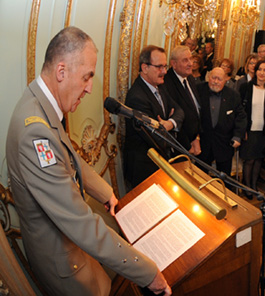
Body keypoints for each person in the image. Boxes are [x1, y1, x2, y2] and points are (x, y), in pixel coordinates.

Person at [6, 26, 170, 296]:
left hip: (69, 247)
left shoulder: (39, 104)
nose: (90, 88)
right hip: (64, 263)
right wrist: (148, 273)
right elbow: (80, 223)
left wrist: (104, 191)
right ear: (61, 72)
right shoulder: (35, 132)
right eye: (86, 77)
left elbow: (66, 154)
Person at [124, 45, 184, 188]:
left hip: (159, 163)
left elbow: (180, 111)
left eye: (165, 66)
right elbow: (158, 138)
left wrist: (169, 123)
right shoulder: (137, 97)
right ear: (145, 68)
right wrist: (167, 127)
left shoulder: (160, 86)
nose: (164, 71)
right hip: (144, 169)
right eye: (159, 67)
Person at [197, 68, 247, 175]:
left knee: (224, 181)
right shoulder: (198, 90)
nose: (215, 81)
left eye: (219, 79)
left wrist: (237, 136)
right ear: (208, 77)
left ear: (225, 81)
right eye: (213, 78)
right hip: (202, 144)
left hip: (224, 145)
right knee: (199, 177)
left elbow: (241, 117)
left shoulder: (233, 95)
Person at [239, 60, 265, 199]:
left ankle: (254, 186)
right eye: (259, 69)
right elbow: (240, 111)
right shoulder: (246, 87)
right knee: (249, 160)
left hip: (264, 130)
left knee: (259, 159)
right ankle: (246, 186)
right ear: (255, 71)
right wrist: (242, 130)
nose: (262, 73)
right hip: (249, 130)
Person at [163, 45, 202, 156]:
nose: (190, 63)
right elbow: (173, 116)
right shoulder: (166, 82)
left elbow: (195, 109)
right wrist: (186, 145)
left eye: (191, 59)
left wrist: (196, 137)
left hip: (194, 139)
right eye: (185, 60)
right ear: (174, 64)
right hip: (180, 146)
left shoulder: (189, 77)